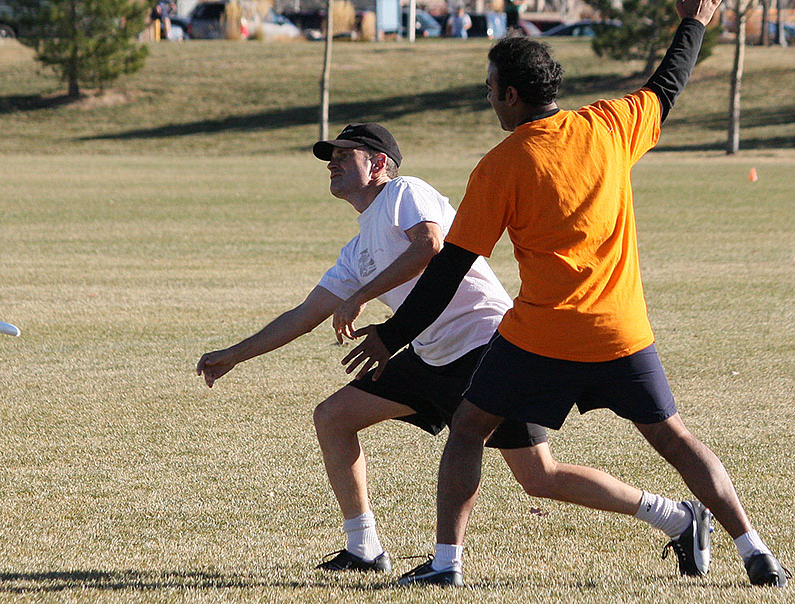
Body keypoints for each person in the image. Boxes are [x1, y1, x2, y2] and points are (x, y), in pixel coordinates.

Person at [342, 0, 788, 590]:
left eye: (490, 88)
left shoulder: (501, 166)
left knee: (470, 427)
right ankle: (755, 550)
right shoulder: (608, 126)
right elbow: (668, 84)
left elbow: (450, 267)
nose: (488, 97)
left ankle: (446, 565)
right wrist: (695, 23)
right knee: (675, 439)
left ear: (510, 97)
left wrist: (394, 334)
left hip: (541, 338)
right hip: (620, 331)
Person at [197, 124, 713, 580]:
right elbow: (304, 313)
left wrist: (360, 296)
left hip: (488, 346)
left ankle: (678, 517)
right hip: (430, 355)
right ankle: (364, 548)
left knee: (538, 477)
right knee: (333, 416)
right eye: (330, 155)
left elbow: (431, 246)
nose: (331, 162)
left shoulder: (404, 192)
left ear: (378, 164)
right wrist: (233, 354)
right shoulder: (358, 249)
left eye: (344, 153)